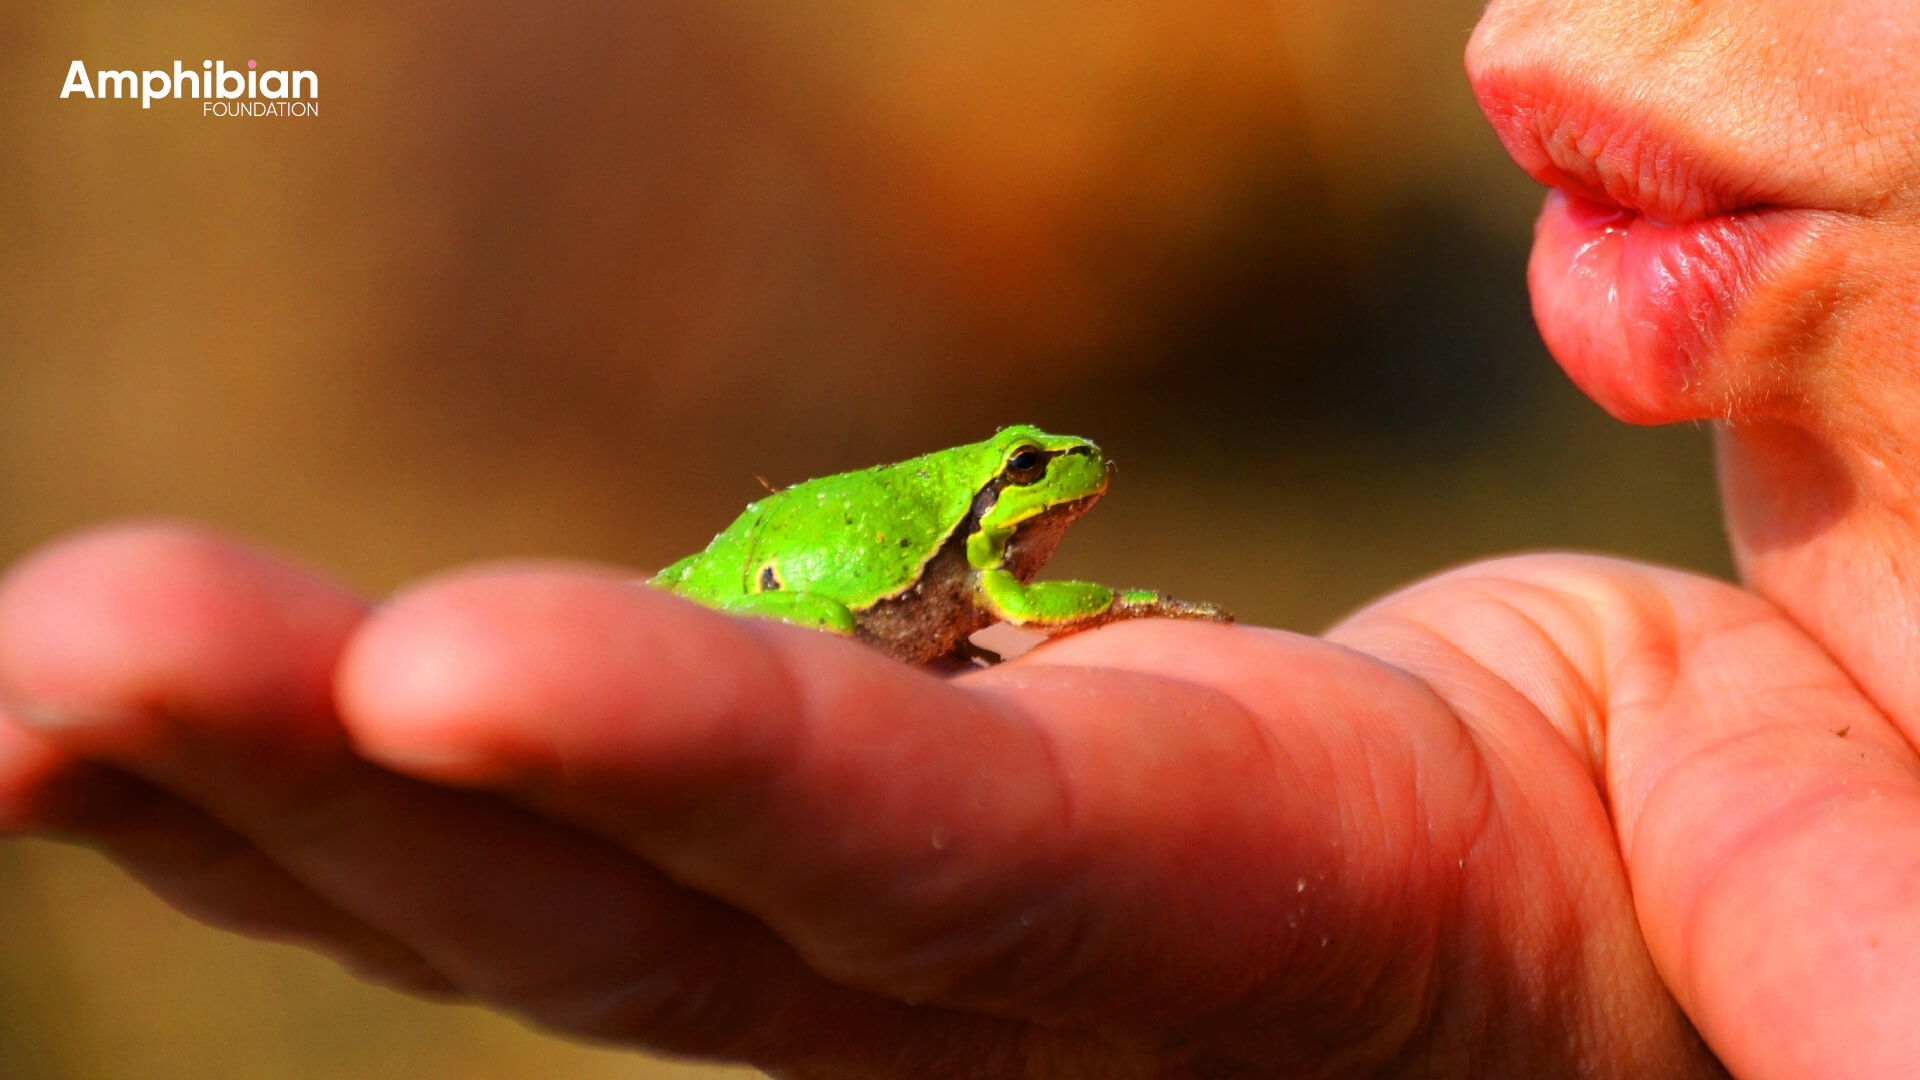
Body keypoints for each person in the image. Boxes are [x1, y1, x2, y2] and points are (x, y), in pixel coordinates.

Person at [3, 0, 1916, 1074]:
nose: (1522, 15)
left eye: (1058, 474)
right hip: (803, 602)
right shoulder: (987, 542)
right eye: (1040, 472)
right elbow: (1004, 597)